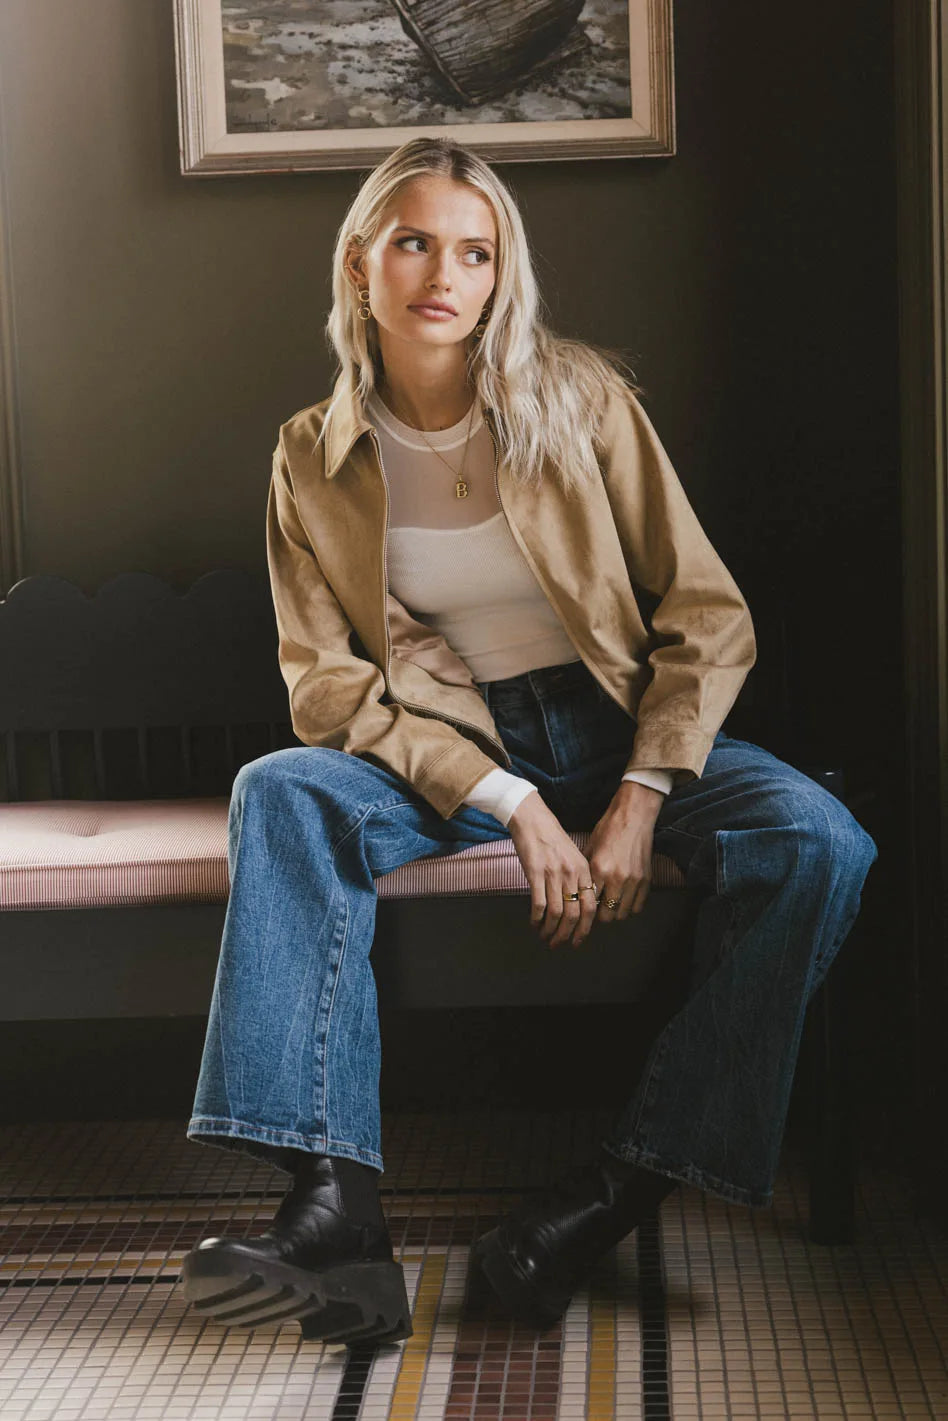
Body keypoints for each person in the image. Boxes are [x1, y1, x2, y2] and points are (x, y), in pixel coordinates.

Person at [177, 136, 878, 1347]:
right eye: (413, 243)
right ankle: (334, 1212)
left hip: (619, 725)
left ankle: (603, 1202)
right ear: (360, 263)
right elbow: (329, 687)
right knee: (282, 788)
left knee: (821, 842)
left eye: (475, 251)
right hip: (446, 749)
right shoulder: (309, 454)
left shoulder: (581, 402)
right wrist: (511, 800)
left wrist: (642, 793)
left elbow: (706, 613)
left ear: (503, 274)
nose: (442, 274)